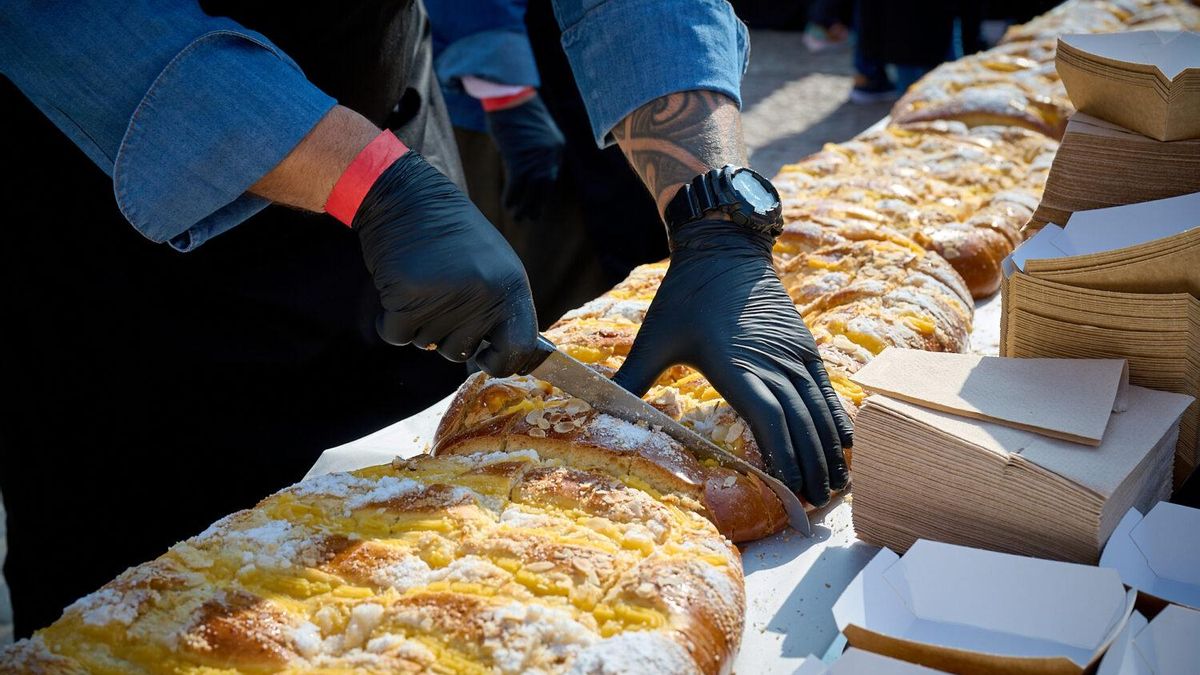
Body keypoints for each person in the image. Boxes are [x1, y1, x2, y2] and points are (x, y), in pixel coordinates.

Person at [0, 0, 851, 635]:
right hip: (131, 237)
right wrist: (370, 182)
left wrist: (712, 211)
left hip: (396, 151)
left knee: (425, 556)